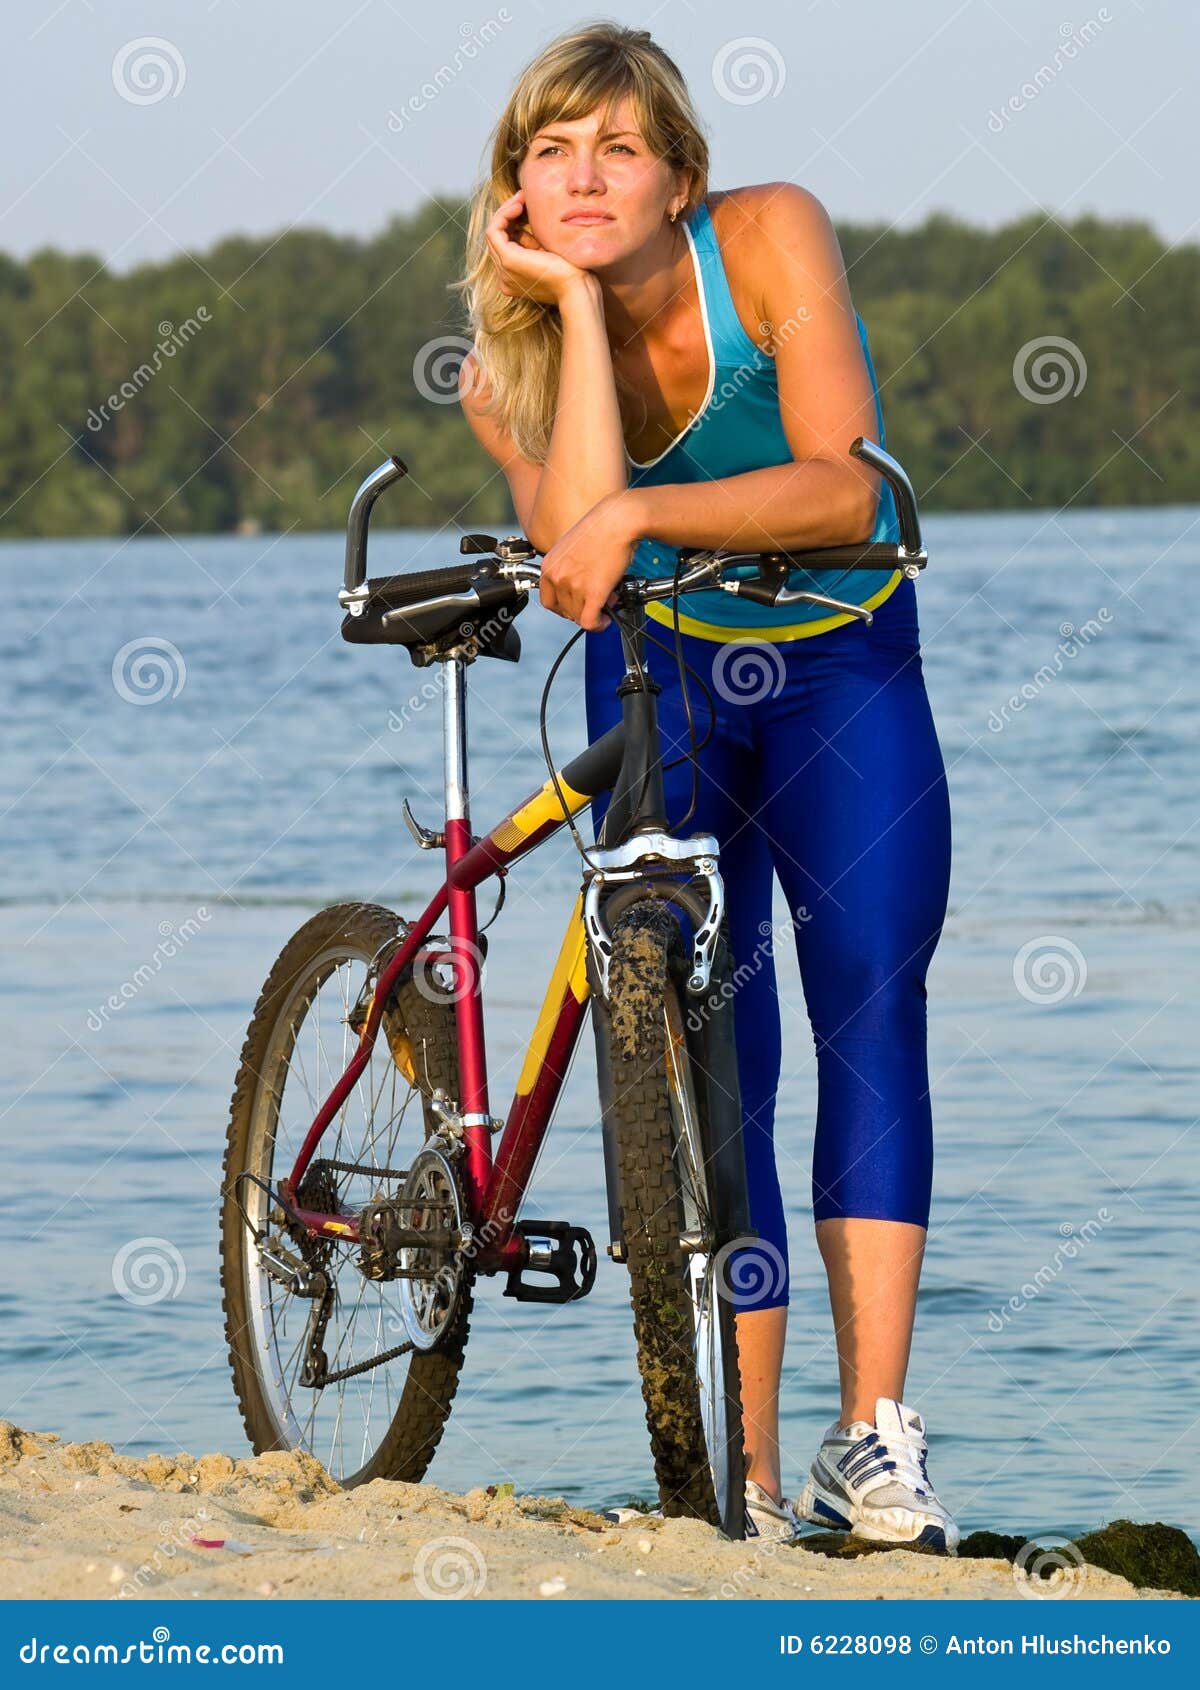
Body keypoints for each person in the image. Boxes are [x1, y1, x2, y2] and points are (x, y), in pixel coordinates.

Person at [455, 21, 956, 1550]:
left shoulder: (773, 234)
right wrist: (568, 307)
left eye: (617, 146)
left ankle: (869, 1444)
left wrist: (654, 509)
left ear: (683, 174)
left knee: (867, 990)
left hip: (841, 660)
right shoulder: (519, 360)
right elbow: (589, 567)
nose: (584, 176)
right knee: (710, 1034)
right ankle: (735, 1470)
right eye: (550, 153)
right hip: (667, 670)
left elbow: (845, 482)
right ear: (515, 198)